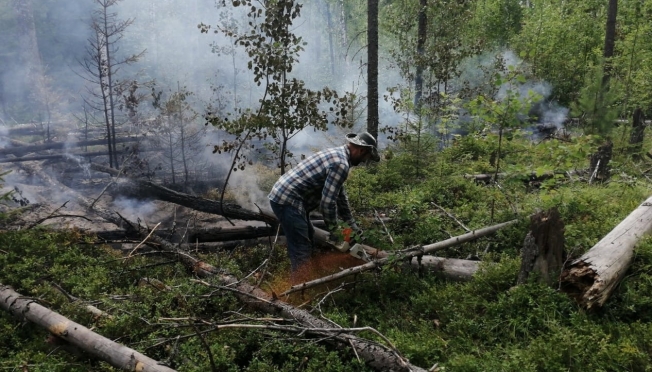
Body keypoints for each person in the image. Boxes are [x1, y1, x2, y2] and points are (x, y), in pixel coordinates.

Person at [268, 132, 380, 274]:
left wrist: (352, 228)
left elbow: (340, 197)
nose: (364, 161)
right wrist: (336, 232)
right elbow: (327, 203)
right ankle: (299, 289)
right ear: (362, 150)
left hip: (288, 197)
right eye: (366, 157)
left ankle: (309, 276)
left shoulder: (338, 154)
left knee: (309, 234)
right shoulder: (341, 164)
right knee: (301, 247)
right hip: (287, 200)